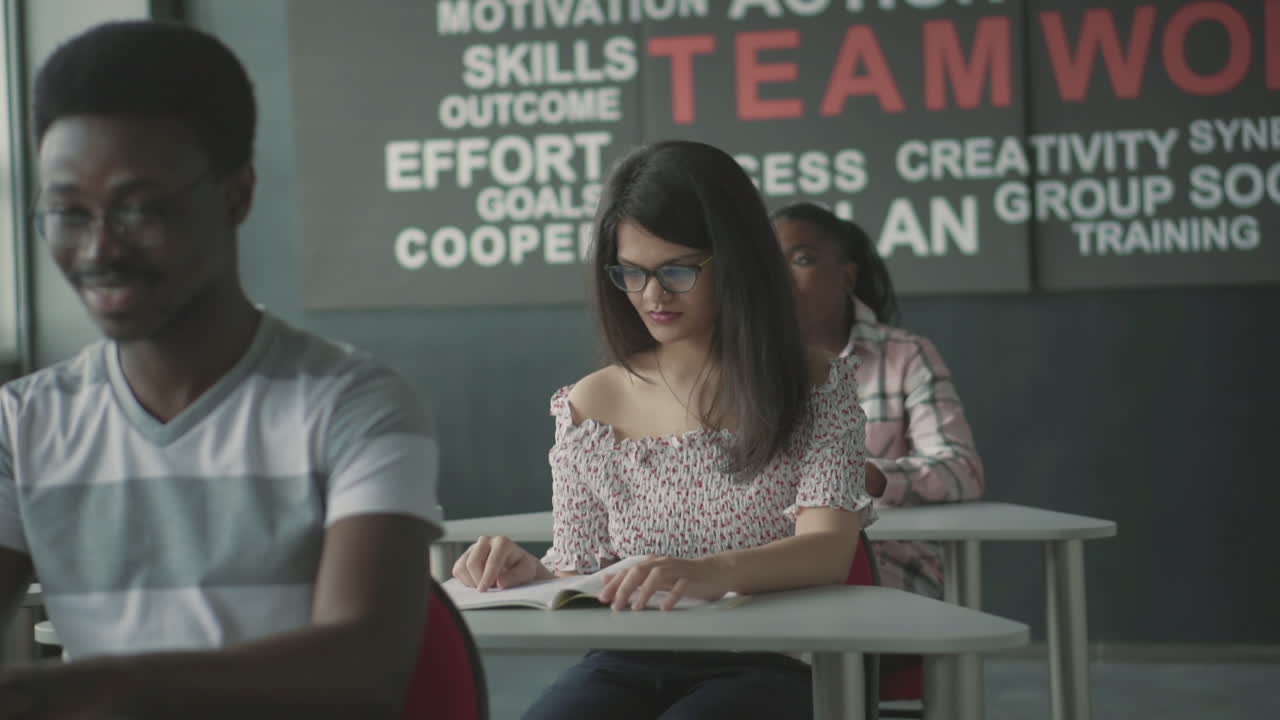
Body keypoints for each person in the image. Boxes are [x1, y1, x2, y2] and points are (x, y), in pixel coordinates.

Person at [0, 21, 442, 719]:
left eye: (141, 209)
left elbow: (363, 668)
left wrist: (93, 690)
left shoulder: (354, 406)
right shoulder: (21, 425)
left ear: (238, 194)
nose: (100, 248)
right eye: (68, 212)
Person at [452, 140, 874, 720]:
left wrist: (708, 572)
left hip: (772, 660)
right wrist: (527, 575)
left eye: (677, 270)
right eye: (631, 272)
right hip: (626, 658)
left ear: (737, 260)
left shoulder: (817, 385)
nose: (653, 295)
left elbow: (827, 551)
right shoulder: (590, 403)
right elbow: (579, 571)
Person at [772, 202, 984, 600]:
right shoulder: (741, 366)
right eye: (768, 263)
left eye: (802, 260)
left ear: (846, 277)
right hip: (770, 564)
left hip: (888, 563)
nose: (779, 277)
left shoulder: (905, 355)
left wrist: (867, 476)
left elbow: (962, 470)